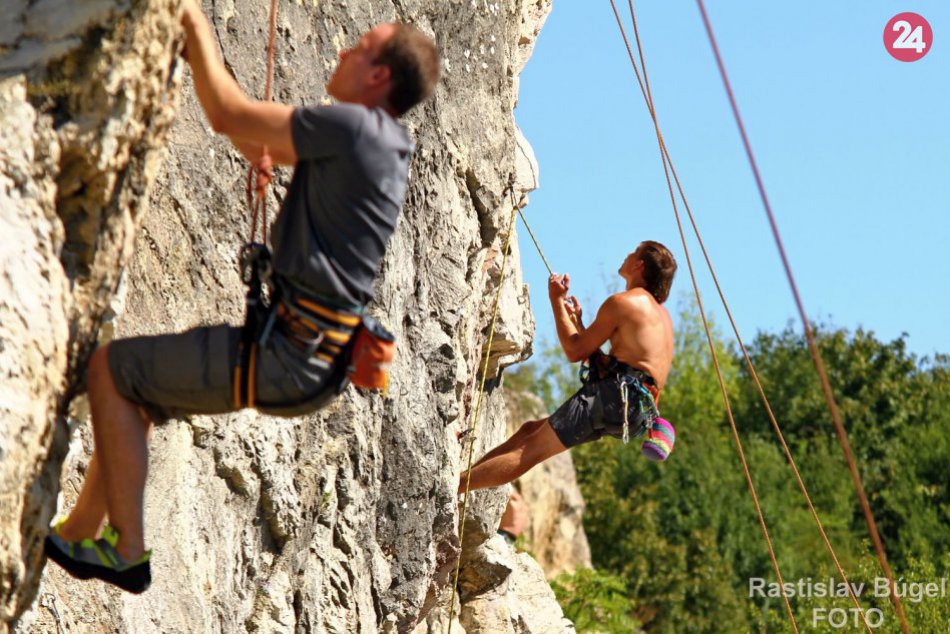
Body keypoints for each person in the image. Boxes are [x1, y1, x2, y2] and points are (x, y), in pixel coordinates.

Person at [44, 1, 440, 593]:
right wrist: (262, 154)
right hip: (308, 357)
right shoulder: (383, 145)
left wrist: (191, 22)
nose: (341, 51)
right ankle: (77, 533)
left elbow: (227, 115)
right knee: (136, 391)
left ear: (379, 75)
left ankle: (126, 550)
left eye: (357, 48)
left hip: (289, 353)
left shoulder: (356, 127)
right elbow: (258, 145)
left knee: (112, 369)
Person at [459, 241, 677, 494]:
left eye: (633, 252)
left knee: (530, 451)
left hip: (614, 398)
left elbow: (575, 351)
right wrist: (580, 325)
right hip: (633, 411)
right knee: (529, 431)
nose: (627, 254)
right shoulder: (662, 317)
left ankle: (454, 487)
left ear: (639, 264)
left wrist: (556, 300)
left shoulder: (624, 302)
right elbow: (616, 365)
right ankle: (466, 477)